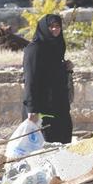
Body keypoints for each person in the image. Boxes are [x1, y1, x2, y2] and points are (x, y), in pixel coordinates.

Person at [22, 13, 73, 143]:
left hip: (59, 106)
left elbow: (52, 73)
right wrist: (32, 110)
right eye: (51, 26)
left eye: (57, 26)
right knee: (44, 145)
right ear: (44, 28)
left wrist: (66, 68)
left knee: (63, 142)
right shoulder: (34, 49)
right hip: (41, 109)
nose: (55, 29)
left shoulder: (58, 47)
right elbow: (30, 80)